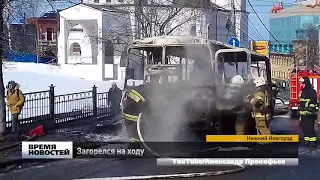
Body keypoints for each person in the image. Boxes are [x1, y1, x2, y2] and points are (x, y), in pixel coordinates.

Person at [299, 77, 317, 147]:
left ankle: (313, 142)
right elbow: (302, 102)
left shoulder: (311, 91)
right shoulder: (303, 91)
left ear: (306, 83)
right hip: (303, 114)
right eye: (300, 83)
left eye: (302, 83)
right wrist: (299, 111)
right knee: (304, 127)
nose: (301, 85)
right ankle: (307, 140)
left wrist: (309, 111)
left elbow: (313, 102)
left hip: (309, 114)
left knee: (309, 128)